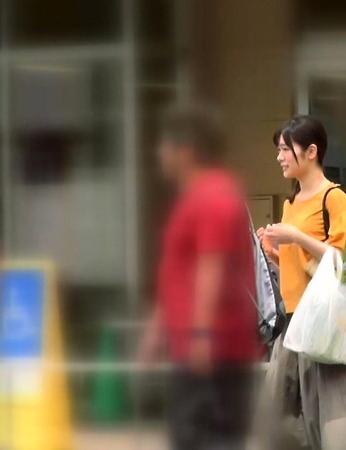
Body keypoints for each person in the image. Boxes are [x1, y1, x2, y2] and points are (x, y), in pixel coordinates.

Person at [257, 116, 346, 450]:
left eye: (285, 149)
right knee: (279, 421)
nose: (280, 157)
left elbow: (344, 261)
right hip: (294, 323)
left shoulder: (334, 198)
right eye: (279, 150)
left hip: (327, 323)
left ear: (311, 151)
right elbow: (304, 268)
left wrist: (296, 237)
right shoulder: (291, 203)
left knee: (332, 422)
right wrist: (275, 254)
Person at [138, 105, 259, 450]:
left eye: (164, 145)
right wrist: (157, 331)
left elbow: (212, 264)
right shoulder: (194, 197)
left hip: (214, 352)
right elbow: (177, 271)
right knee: (191, 437)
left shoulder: (213, 196)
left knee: (206, 438)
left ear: (186, 151)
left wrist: (202, 334)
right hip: (196, 347)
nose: (159, 153)